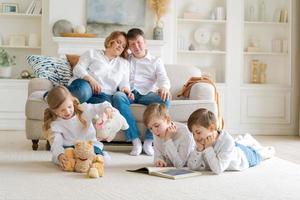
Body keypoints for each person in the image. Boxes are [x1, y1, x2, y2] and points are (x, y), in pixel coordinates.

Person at [113, 28, 171, 156]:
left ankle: (150, 140)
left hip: (147, 94)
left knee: (165, 99)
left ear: (145, 42)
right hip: (130, 93)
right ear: (128, 46)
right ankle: (135, 140)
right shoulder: (125, 60)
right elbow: (121, 78)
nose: (136, 46)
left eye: (139, 42)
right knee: (117, 96)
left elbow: (163, 78)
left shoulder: (156, 61)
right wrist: (125, 89)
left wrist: (165, 88)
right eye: (132, 44)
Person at [43, 85, 113, 170]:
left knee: (98, 158)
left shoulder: (84, 109)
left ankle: (98, 159)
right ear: (55, 111)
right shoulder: (56, 124)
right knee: (66, 160)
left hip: (89, 146)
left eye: (69, 107)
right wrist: (59, 155)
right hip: (70, 148)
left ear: (72, 101)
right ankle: (67, 161)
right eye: (62, 110)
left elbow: (100, 106)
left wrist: (107, 108)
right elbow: (56, 144)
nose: (68, 112)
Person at [186, 108, 275, 175]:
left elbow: (218, 169)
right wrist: (199, 150)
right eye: (193, 134)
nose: (195, 137)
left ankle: (267, 149)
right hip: (232, 147)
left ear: (212, 128)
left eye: (198, 132)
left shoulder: (226, 141)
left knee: (258, 155)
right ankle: (243, 139)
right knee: (237, 143)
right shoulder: (201, 140)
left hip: (244, 156)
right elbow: (192, 167)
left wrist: (208, 148)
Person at [68, 31, 131, 104]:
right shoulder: (92, 53)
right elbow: (78, 68)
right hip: (86, 86)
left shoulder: (124, 64)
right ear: (110, 41)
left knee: (106, 105)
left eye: (123, 46)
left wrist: (125, 89)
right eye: (118, 42)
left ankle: (77, 104)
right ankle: (62, 97)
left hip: (104, 95)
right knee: (83, 93)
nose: (120, 46)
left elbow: (124, 82)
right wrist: (91, 80)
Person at [143, 103, 195, 168]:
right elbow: (158, 154)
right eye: (150, 128)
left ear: (167, 119)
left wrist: (167, 140)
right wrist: (159, 160)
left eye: (156, 126)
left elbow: (180, 164)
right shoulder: (156, 132)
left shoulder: (185, 132)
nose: (154, 131)